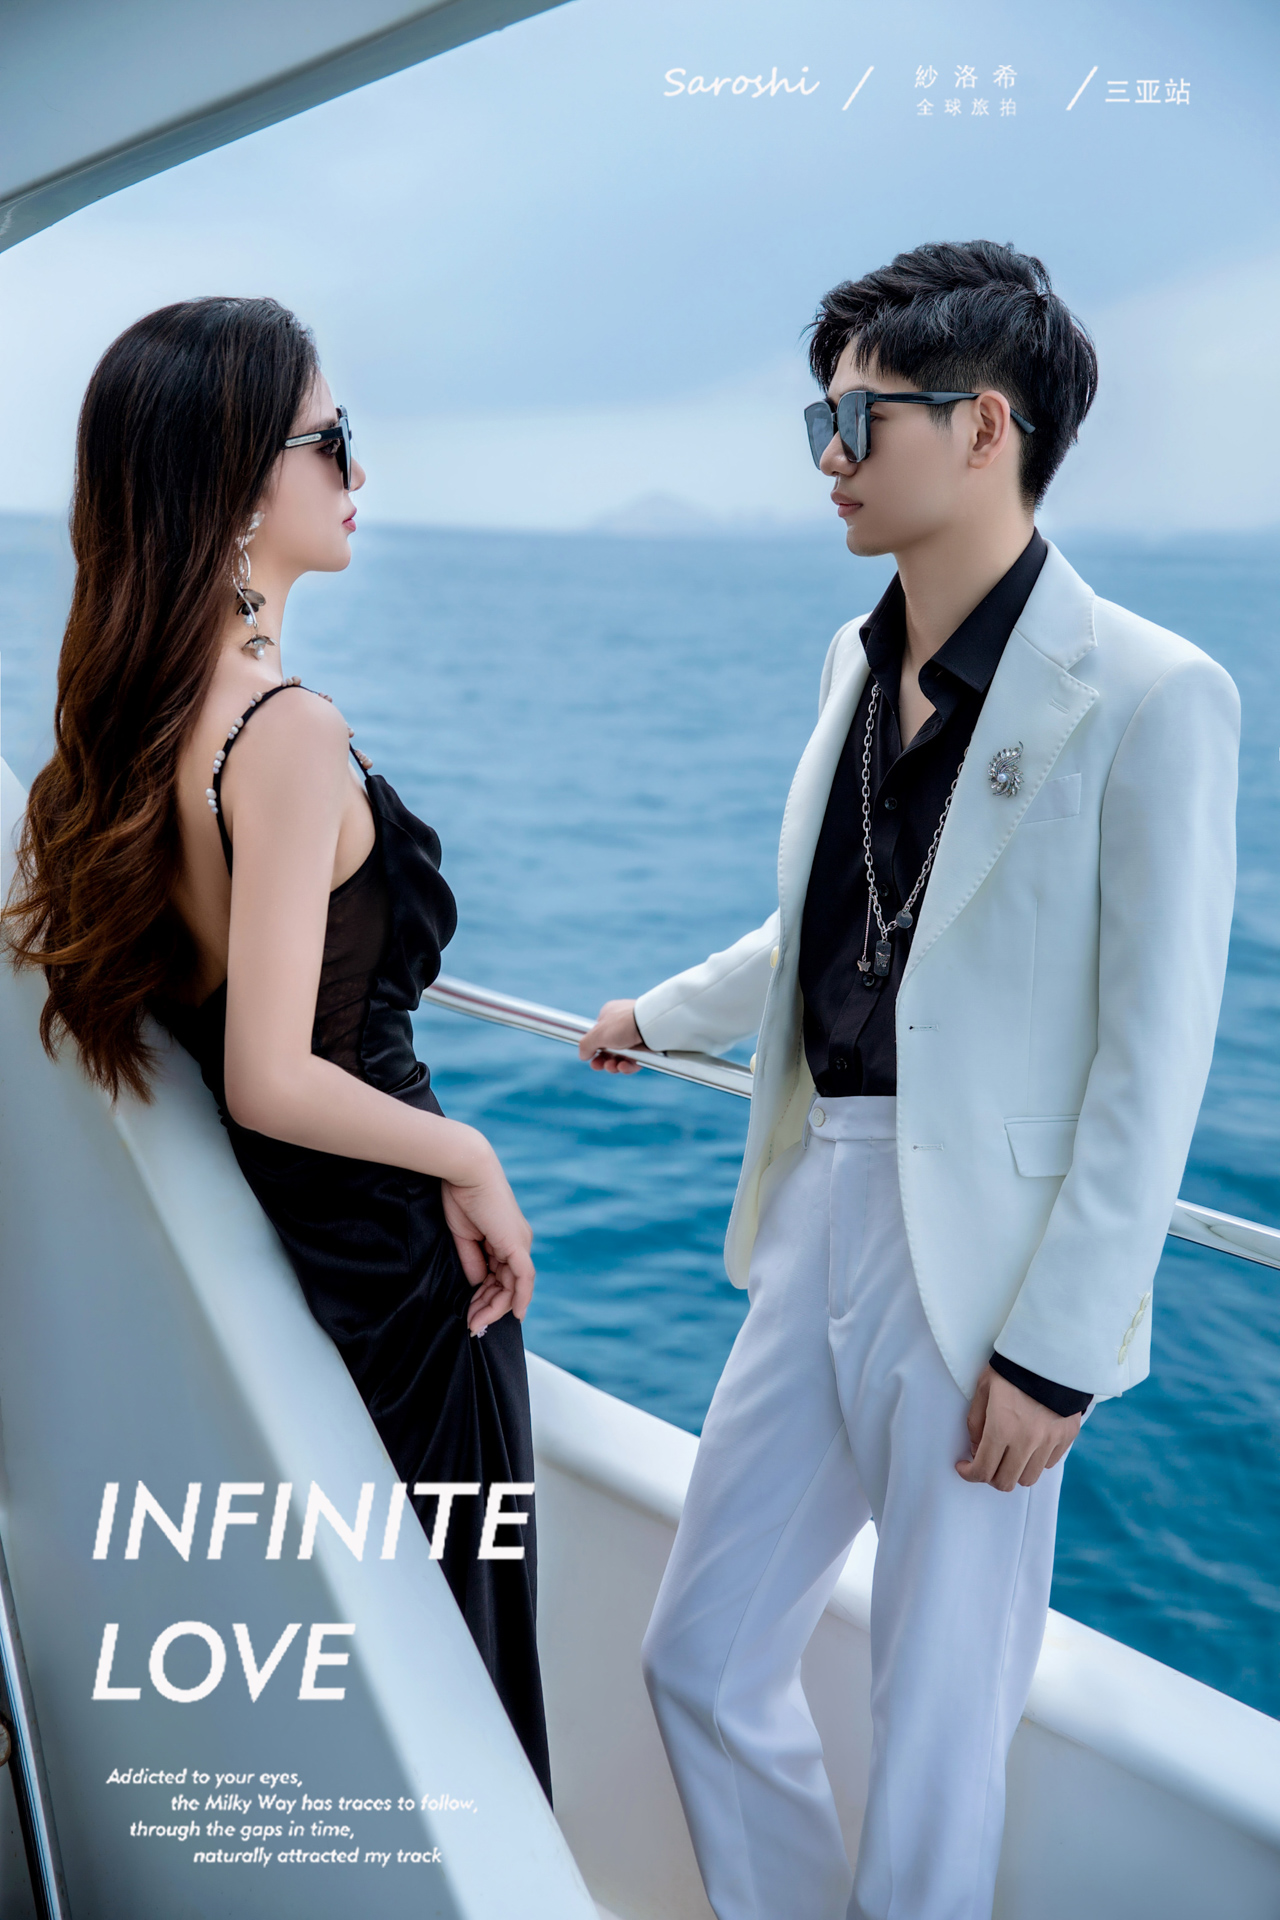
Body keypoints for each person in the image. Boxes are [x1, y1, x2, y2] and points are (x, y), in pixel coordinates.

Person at [578, 241, 1239, 1918]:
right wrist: (662, 1015)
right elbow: (825, 920)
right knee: (698, 1652)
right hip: (821, 1204)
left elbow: (1156, 1058)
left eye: (860, 420)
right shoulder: (853, 663)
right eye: (824, 420)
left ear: (986, 426)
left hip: (991, 1271)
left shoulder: (1153, 693)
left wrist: (1057, 1350)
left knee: (940, 1726)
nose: (830, 456)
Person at [3, 297, 551, 1799]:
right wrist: (470, 1152)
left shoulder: (135, 729)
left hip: (313, 1250)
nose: (356, 473)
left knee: (393, 1697)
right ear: (241, 482)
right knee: (469, 1690)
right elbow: (274, 1074)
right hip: (405, 1275)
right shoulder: (284, 731)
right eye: (332, 439)